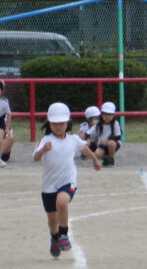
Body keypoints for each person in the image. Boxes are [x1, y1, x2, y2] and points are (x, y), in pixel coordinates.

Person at [32, 102, 102, 258]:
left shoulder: (73, 139)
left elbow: (84, 148)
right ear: (49, 123)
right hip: (48, 185)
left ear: (68, 123)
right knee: (52, 221)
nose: (58, 127)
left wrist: (95, 160)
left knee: (62, 202)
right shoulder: (45, 140)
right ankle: (54, 237)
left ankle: (63, 234)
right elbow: (35, 158)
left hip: (68, 181)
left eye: (61, 123)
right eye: (54, 123)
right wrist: (43, 150)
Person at [88, 101, 122, 167]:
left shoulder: (115, 123)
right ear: (102, 115)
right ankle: (106, 157)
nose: (107, 117)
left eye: (110, 115)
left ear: (113, 115)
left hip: (113, 144)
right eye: (105, 114)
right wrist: (88, 139)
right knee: (97, 154)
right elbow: (89, 133)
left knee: (111, 143)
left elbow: (118, 136)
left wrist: (107, 140)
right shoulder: (98, 124)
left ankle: (111, 158)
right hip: (102, 145)